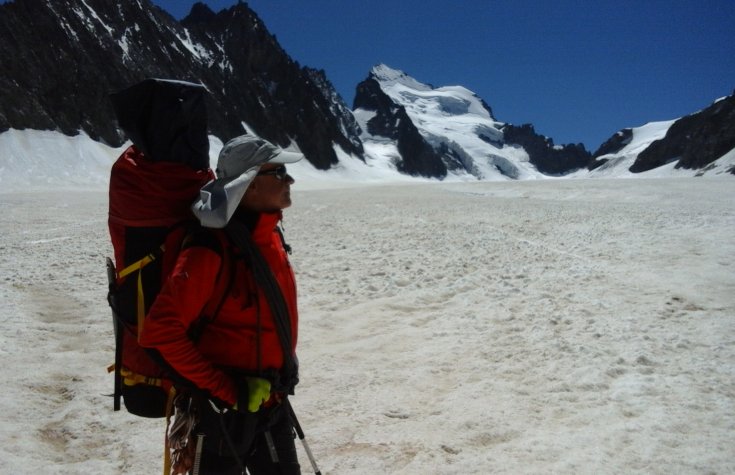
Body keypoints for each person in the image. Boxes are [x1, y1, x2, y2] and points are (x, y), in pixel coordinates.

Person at [140, 134, 304, 475]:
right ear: (250, 184)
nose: (289, 180)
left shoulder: (270, 236)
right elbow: (160, 332)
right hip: (218, 414)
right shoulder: (210, 249)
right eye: (278, 173)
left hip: (270, 400)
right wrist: (226, 389)